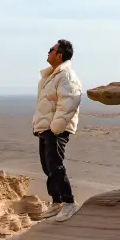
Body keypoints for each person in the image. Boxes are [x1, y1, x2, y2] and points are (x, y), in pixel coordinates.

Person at [32, 39, 82, 222]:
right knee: (48, 166)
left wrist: (56, 128)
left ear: (59, 55)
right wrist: (39, 126)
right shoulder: (51, 76)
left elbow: (69, 102)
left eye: (51, 49)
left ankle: (69, 203)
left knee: (56, 165)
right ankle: (57, 201)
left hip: (55, 129)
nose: (48, 52)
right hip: (46, 128)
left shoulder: (66, 76)